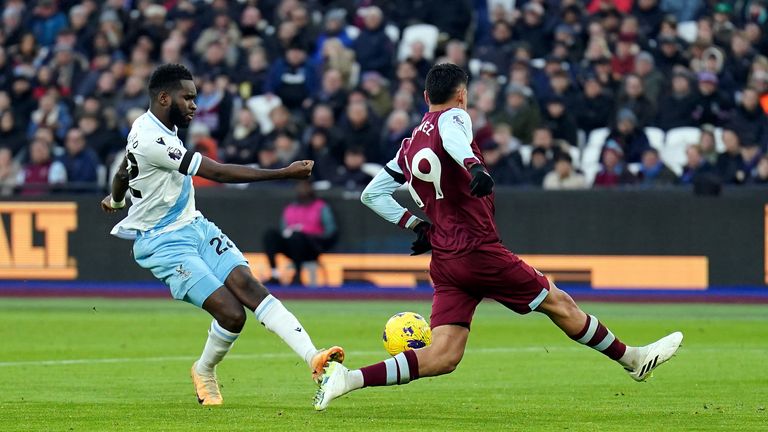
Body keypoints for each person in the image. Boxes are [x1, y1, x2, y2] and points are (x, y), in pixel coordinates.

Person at [313, 64, 683, 410]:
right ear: (462, 95)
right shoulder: (455, 117)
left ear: (425, 98)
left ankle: (348, 379)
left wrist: (417, 225)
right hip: (478, 250)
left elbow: (372, 194)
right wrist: (473, 165)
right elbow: (455, 136)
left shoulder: (409, 146)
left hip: (445, 259)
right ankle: (632, 359)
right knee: (558, 302)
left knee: (444, 355)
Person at [100, 64, 343, 407]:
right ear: (164, 97)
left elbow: (125, 170)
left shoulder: (160, 129)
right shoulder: (151, 139)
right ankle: (203, 369)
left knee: (249, 286)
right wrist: (283, 173)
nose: (194, 106)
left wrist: (116, 199)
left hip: (194, 226)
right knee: (232, 313)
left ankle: (313, 358)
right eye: (188, 98)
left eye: (195, 98)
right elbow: (215, 171)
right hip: (161, 241)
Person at [263, 180, 338, 285]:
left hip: (312, 247)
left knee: (297, 237)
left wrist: (311, 236)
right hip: (291, 246)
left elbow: (330, 230)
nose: (303, 190)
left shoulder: (321, 206)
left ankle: (297, 275)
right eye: (300, 187)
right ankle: (275, 274)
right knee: (270, 234)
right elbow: (283, 229)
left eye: (306, 187)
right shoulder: (290, 208)